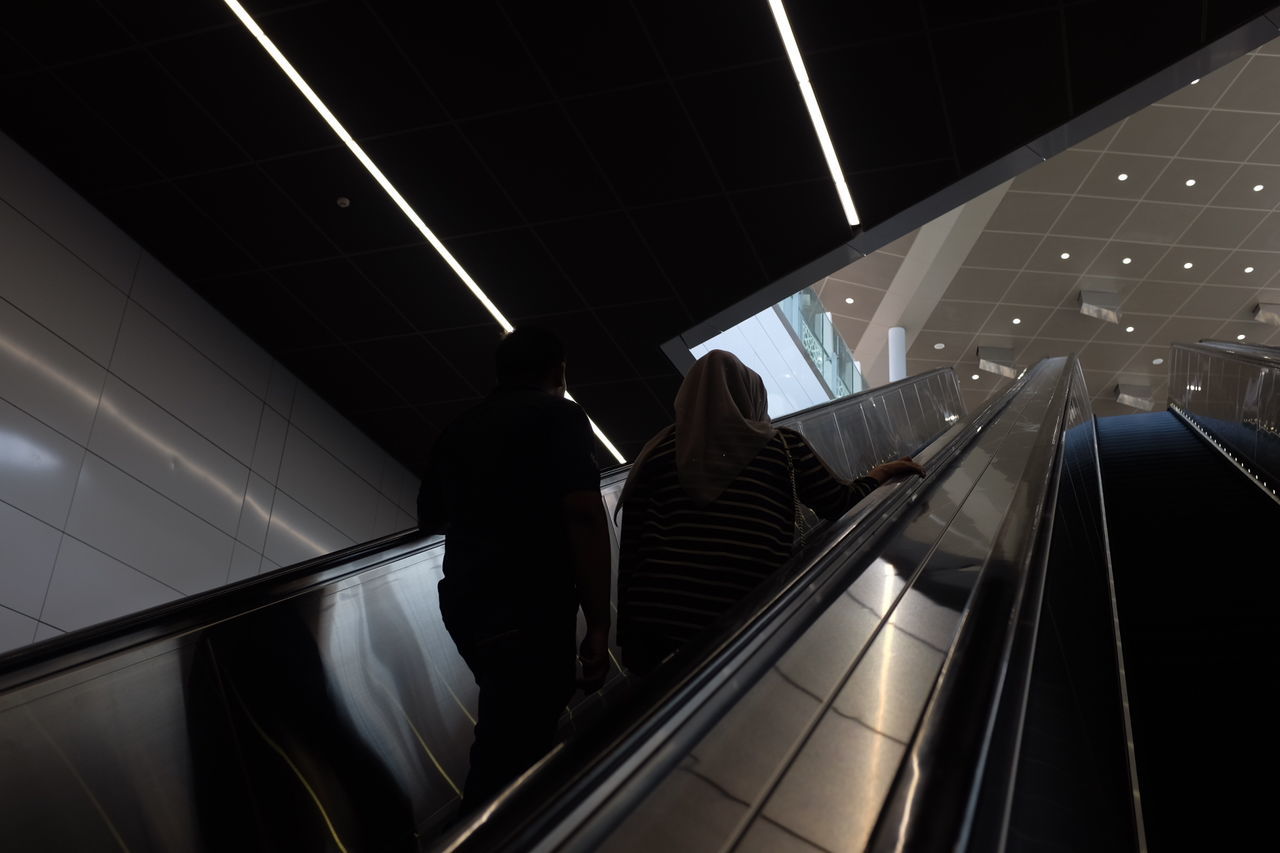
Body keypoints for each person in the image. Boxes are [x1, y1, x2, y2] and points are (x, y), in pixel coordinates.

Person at [616, 350, 923, 674]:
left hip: (656, 617)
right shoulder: (781, 445)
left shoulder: (656, 451)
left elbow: (632, 546)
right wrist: (882, 472)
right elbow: (839, 502)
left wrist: (622, 633)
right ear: (752, 396)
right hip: (743, 611)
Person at [417, 327, 612, 810]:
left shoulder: (459, 428)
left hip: (467, 603)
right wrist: (600, 623)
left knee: (507, 727)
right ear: (558, 371)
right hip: (529, 602)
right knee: (513, 751)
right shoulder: (560, 416)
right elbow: (585, 515)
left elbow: (430, 517)